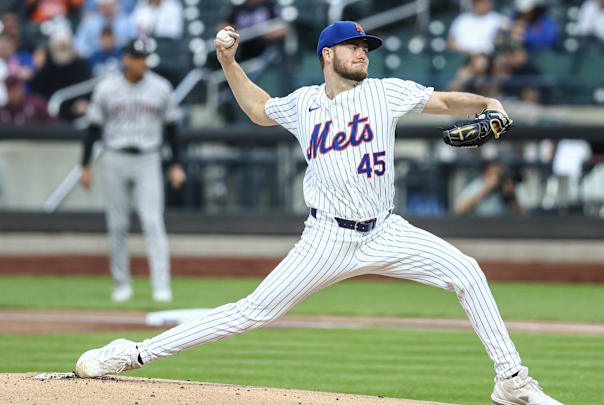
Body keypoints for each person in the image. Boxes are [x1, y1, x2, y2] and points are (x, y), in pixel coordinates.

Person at [74, 22, 563, 405]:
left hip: (386, 230)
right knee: (250, 312)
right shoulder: (305, 103)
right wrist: (228, 61)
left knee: (468, 273)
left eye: (366, 47)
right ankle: (131, 354)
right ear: (328, 55)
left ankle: (512, 382)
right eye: (353, 47)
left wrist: (487, 100)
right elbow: (259, 109)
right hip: (326, 238)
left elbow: (441, 100)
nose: (363, 53)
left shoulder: (384, 92)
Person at [78, 39, 186, 302]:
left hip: (148, 158)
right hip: (114, 156)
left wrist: (176, 163)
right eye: (137, 57)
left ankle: (162, 285)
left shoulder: (160, 87)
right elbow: (93, 129)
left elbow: (172, 128)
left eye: (145, 57)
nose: (142, 62)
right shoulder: (107, 88)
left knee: (153, 222)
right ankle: (121, 284)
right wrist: (84, 165)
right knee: (117, 226)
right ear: (125, 59)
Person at [29, 30, 92, 121]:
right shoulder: (47, 68)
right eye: (59, 47)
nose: (62, 50)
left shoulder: (81, 67)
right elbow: (38, 93)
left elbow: (88, 89)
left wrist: (85, 102)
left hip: (76, 115)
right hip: (50, 117)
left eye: (65, 47)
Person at [455, 161, 523, 216]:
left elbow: (523, 214)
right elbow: (460, 210)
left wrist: (512, 197)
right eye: (494, 174)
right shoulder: (477, 185)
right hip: (479, 225)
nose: (497, 178)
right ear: (485, 174)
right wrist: (486, 189)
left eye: (499, 175)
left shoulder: (505, 186)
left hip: (503, 226)